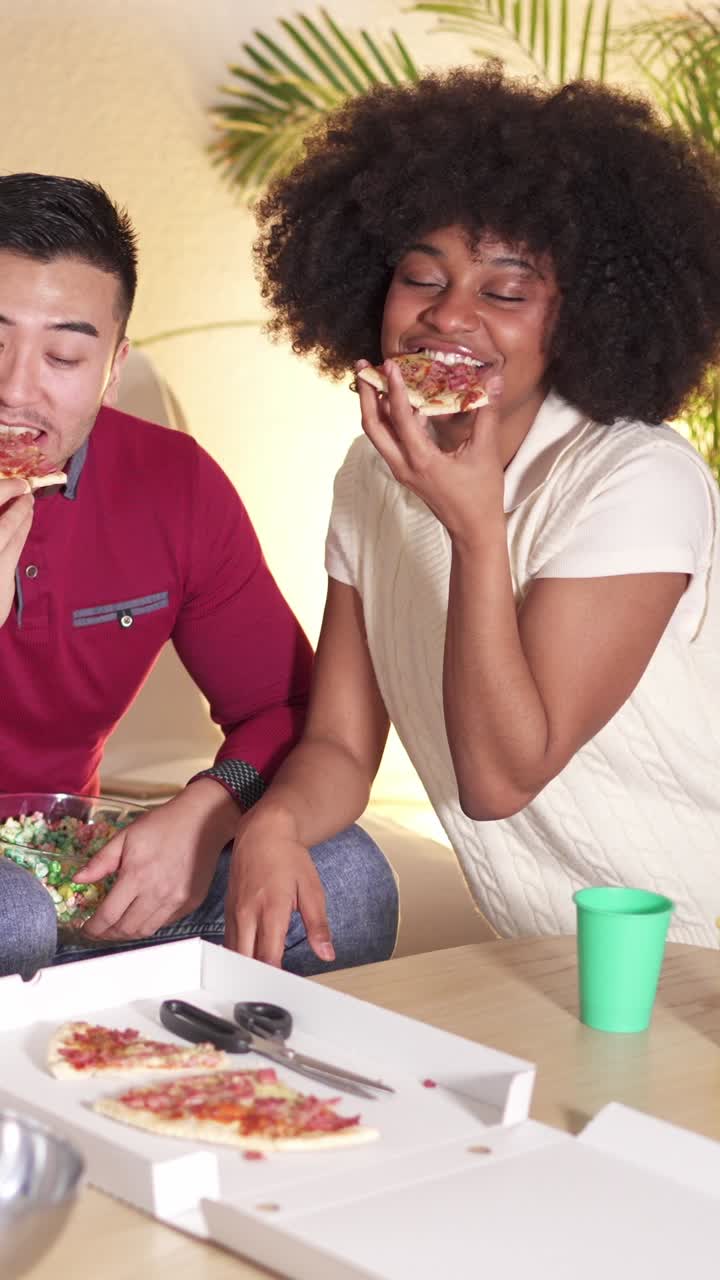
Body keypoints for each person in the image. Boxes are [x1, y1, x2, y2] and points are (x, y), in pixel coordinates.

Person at [222, 65, 720, 958]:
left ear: (583, 317)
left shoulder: (637, 477)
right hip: (545, 957)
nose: (449, 317)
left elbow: (500, 779)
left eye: (504, 292)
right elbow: (341, 744)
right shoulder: (372, 473)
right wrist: (277, 821)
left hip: (699, 944)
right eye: (422, 277)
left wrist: (476, 527)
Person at [0, 172, 398, 980]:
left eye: (64, 356)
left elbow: (287, 709)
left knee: (349, 882)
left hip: (62, 866)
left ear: (111, 369)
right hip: (15, 911)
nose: (14, 389)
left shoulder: (172, 482)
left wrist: (211, 806)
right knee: (15, 919)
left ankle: (118, 1034)